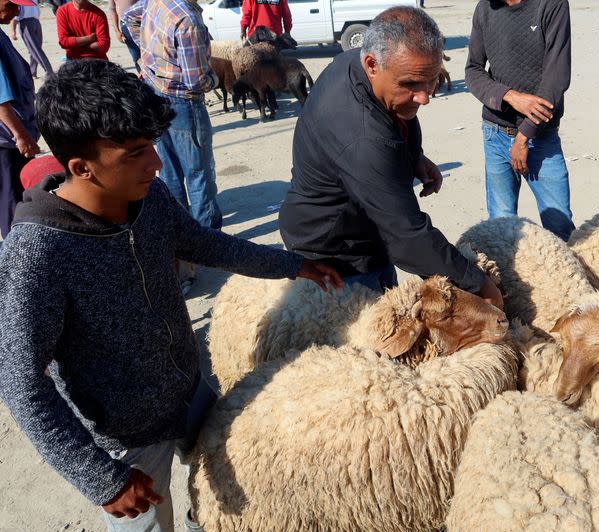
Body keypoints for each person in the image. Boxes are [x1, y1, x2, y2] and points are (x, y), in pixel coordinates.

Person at [0, 59, 342, 532]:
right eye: (136, 152)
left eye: (152, 147)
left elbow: (206, 245)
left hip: (189, 390)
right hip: (127, 437)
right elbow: (20, 382)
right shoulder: (36, 255)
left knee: (226, 499)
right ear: (81, 167)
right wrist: (102, 479)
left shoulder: (149, 199)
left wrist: (291, 264)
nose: (157, 163)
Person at [279, 6, 503, 307]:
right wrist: (481, 287)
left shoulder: (355, 65)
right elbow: (408, 239)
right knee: (372, 342)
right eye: (411, 84)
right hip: (336, 255)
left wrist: (413, 157)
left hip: (364, 228)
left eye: (432, 80)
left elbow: (397, 116)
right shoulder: (363, 137)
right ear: (372, 64)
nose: (424, 96)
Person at [465, 0, 575, 242]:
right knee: (501, 227)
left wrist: (524, 136)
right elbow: (473, 70)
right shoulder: (484, 9)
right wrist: (510, 97)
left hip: (540, 138)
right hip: (494, 134)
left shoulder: (551, 5)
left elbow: (556, 80)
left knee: (560, 226)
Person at [125, 0, 222, 232]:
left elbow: (128, 18)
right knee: (199, 172)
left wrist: (149, 60)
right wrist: (216, 80)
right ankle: (206, 239)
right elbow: (196, 80)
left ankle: (177, 233)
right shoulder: (188, 21)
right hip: (183, 103)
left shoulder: (158, 1)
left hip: (155, 92)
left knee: (169, 167)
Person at [0, 0, 39, 239]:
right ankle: (15, 253)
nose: (17, 12)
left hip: (11, 135)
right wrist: (21, 136)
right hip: (7, 139)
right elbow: (1, 100)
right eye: (12, 5)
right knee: (11, 198)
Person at [10, 2, 53, 78]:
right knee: (35, 49)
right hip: (31, 22)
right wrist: (13, 30)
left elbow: (16, 14)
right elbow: (17, 14)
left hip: (31, 22)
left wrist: (13, 31)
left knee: (35, 49)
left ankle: (43, 71)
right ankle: (39, 71)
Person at [108, 0, 140, 71]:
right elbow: (112, 9)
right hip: (125, 24)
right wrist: (117, 31)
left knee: (149, 56)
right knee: (136, 57)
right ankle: (143, 78)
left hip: (142, 22)